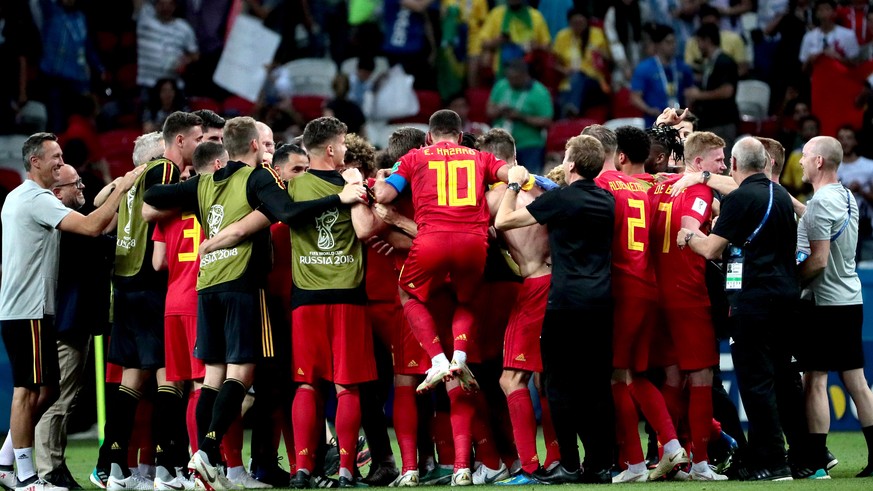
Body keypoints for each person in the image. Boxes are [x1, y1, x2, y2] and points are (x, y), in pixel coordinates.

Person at [142, 116, 365, 491]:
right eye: (264, 145)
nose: (267, 151)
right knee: (241, 374)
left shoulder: (205, 179)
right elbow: (289, 213)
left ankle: (204, 457)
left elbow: (152, 197)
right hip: (243, 283)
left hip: (206, 284)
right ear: (251, 147)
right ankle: (208, 453)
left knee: (211, 377)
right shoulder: (257, 177)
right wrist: (338, 198)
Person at [373, 109, 511, 486]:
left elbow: (371, 220)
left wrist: (384, 200)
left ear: (429, 139)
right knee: (458, 377)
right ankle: (463, 466)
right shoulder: (477, 159)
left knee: (405, 380)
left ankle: (410, 469)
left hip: (422, 281)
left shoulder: (411, 165)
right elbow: (506, 179)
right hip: (466, 260)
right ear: (461, 135)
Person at [0, 132, 139, 491]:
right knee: (27, 392)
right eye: (56, 158)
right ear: (36, 163)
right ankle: (28, 477)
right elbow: (93, 226)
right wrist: (122, 188)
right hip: (27, 309)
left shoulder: (20, 198)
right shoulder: (36, 199)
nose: (61, 164)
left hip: (36, 309)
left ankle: (4, 461)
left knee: (45, 392)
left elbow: (91, 217)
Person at [678, 136, 809, 481]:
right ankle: (791, 459)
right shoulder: (781, 196)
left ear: (734, 165)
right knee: (780, 378)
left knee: (756, 384)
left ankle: (771, 462)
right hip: (785, 298)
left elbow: (711, 249)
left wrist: (688, 235)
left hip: (753, 301)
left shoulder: (739, 199)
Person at [91, 112, 203, 491]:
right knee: (169, 378)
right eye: (198, 137)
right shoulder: (165, 172)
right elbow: (151, 210)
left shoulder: (132, 177)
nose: (201, 143)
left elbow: (107, 208)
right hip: (150, 284)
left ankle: (117, 469)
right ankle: (165, 469)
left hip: (123, 285)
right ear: (180, 141)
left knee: (131, 379)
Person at [494, 134, 615, 484]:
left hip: (566, 302)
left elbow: (503, 221)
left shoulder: (563, 200)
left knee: (558, 385)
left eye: (565, 155)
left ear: (572, 164)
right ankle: (599, 465)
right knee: (596, 386)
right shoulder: (606, 199)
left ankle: (569, 465)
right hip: (601, 302)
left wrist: (514, 186)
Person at [582, 124, 690, 482]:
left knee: (617, 375)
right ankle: (672, 447)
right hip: (649, 286)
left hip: (621, 288)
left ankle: (634, 463)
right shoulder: (653, 184)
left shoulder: (601, 185)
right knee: (636, 375)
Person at [648, 130, 728, 481]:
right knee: (701, 377)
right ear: (698, 163)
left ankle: (670, 454)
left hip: (656, 292)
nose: (724, 166)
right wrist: (708, 240)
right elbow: (689, 226)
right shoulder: (698, 190)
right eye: (718, 160)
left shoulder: (659, 185)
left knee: (671, 375)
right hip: (687, 293)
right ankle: (699, 463)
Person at [479, 128, 554, 485]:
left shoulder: (496, 197)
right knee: (548, 379)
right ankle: (556, 458)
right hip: (561, 285)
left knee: (511, 380)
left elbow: (469, 236)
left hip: (534, 285)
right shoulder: (543, 187)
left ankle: (528, 467)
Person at [31, 164, 113, 491]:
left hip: (72, 320)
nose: (81, 187)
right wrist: (120, 192)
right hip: (67, 322)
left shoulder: (68, 223)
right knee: (58, 400)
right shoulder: (64, 226)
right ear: (57, 193)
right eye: (74, 184)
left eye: (80, 181)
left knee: (60, 398)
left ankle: (48, 465)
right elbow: (103, 242)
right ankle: (48, 471)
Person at [795, 135, 873, 478]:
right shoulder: (846, 196)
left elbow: (819, 261)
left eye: (806, 155)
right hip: (849, 298)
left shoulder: (821, 202)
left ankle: (815, 463)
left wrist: (793, 280)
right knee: (857, 381)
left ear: (819, 162)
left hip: (824, 304)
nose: (799, 160)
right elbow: (821, 221)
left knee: (815, 380)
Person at [486, 59, 553, 174]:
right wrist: (501, 110)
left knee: (531, 182)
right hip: (503, 146)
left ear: (525, 75)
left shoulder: (540, 92)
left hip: (529, 146)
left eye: (515, 78)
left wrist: (522, 117)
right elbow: (489, 111)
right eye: (509, 78)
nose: (511, 82)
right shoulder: (501, 85)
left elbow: (547, 121)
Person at [683, 23, 739, 154]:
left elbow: (727, 91)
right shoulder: (709, 63)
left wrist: (698, 95)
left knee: (721, 164)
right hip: (711, 122)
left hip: (722, 122)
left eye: (699, 42)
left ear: (707, 41)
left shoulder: (725, 61)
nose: (698, 47)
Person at [630, 24, 695, 127]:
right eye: (668, 42)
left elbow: (691, 91)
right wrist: (650, 110)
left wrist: (688, 107)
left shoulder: (683, 67)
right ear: (658, 45)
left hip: (679, 122)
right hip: (654, 122)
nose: (673, 45)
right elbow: (635, 98)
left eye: (674, 42)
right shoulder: (644, 68)